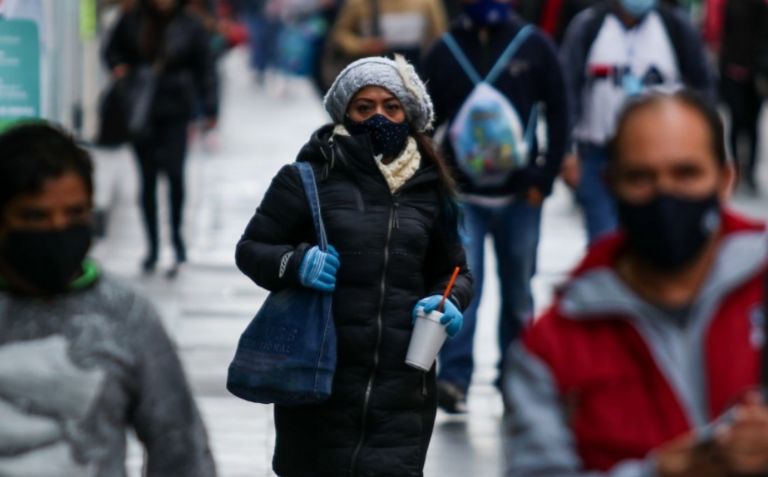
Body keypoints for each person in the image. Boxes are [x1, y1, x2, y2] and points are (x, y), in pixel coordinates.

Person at [0, 123, 217, 476]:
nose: (57, 229)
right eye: (36, 216)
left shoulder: (126, 315)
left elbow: (181, 452)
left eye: (75, 215)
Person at [503, 90, 768, 477]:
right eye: (641, 178)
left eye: (686, 173)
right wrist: (661, 473)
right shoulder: (553, 348)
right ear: (610, 184)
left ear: (725, 178)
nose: (665, 195)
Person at [235, 56, 473, 476]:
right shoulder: (308, 176)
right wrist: (296, 263)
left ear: (409, 115)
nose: (379, 116)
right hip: (319, 382)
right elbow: (252, 248)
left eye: (391, 106)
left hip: (402, 391)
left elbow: (456, 271)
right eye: (365, 107)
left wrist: (448, 299)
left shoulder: (430, 187)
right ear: (345, 112)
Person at [420, 0, 569, 411]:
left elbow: (560, 111)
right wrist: (434, 184)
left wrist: (545, 177)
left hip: (522, 197)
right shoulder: (445, 49)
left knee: (519, 292)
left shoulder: (533, 46)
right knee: (464, 289)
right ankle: (453, 379)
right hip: (463, 197)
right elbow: (423, 123)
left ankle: (516, 380)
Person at [561, 0, 713, 243]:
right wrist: (567, 151)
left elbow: (703, 88)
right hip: (601, 155)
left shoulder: (674, 26)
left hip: (662, 156)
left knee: (656, 239)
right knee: (605, 241)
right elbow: (566, 90)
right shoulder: (589, 26)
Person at [104, 0, 219, 276]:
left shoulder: (191, 24)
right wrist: (120, 68)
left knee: (176, 175)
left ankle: (177, 242)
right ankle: (153, 246)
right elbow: (110, 52)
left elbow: (206, 68)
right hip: (141, 109)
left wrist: (211, 107)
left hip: (176, 108)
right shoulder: (132, 19)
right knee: (147, 178)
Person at [717, 0, 768, 193]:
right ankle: (737, 170)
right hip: (732, 74)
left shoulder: (761, 8)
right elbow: (723, 37)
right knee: (736, 122)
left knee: (752, 125)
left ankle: (751, 172)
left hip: (755, 76)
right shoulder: (730, 5)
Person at [330, 0, 447, 68]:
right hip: (373, 72)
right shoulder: (360, 3)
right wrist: (362, 46)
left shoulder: (427, 3)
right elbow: (339, 34)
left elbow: (439, 38)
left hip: (415, 72)